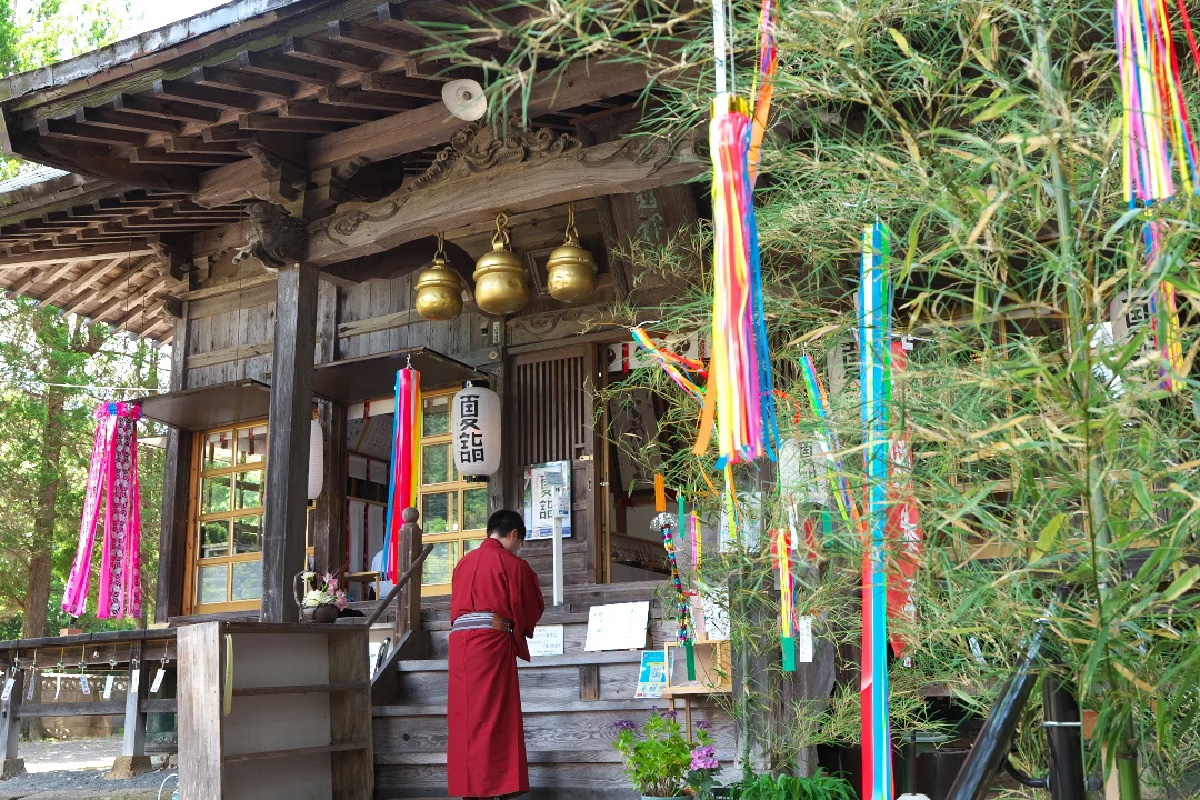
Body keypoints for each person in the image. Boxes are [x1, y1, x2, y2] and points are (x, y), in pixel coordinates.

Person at [447, 509, 545, 800]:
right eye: (520, 541)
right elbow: (529, 606)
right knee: (494, 713)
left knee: (464, 714)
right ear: (514, 534)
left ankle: (469, 787)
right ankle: (495, 786)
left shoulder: (463, 563)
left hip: (460, 643)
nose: (519, 547)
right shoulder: (512, 564)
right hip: (490, 640)